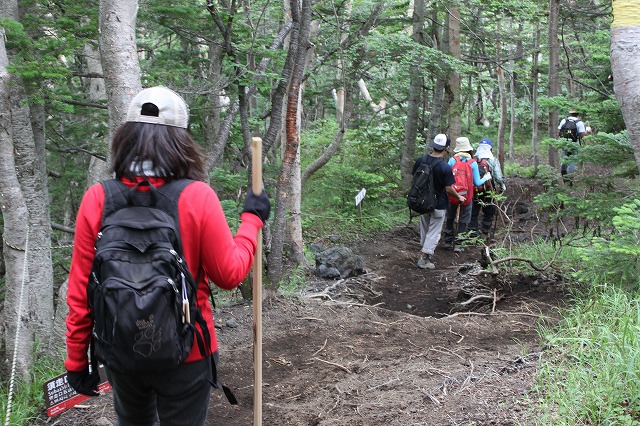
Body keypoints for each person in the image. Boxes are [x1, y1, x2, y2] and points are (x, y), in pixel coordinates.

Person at [64, 86, 270, 425]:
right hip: (188, 354)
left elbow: (81, 293)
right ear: (181, 141)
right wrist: (251, 220)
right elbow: (230, 274)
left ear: (126, 137)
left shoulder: (97, 198)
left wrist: (76, 362)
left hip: (120, 349)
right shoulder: (196, 196)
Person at [412, 134, 465, 269]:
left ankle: (424, 250)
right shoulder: (445, 167)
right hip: (439, 204)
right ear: (446, 148)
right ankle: (424, 258)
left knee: (424, 227)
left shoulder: (420, 161)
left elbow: (415, 178)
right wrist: (459, 197)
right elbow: (448, 188)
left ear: (433, 146)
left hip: (422, 201)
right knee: (434, 231)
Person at [443, 136, 491, 253]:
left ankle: (448, 241)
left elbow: (446, 179)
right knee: (465, 218)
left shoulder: (452, 160)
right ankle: (459, 243)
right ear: (468, 148)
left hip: (453, 194)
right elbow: (477, 182)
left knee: (450, 216)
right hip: (467, 196)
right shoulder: (472, 163)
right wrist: (486, 177)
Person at [469, 138, 506, 238]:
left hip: (475, 188)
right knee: (489, 209)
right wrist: (502, 185)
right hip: (489, 188)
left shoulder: (474, 160)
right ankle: (485, 231)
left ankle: (472, 232)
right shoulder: (493, 160)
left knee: (474, 210)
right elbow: (498, 176)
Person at [558, 109, 587, 178]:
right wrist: (587, 131)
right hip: (574, 144)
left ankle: (563, 173)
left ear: (570, 114)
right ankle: (569, 178)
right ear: (578, 114)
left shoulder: (564, 121)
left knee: (564, 157)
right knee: (573, 161)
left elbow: (559, 130)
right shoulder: (579, 123)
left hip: (564, 142)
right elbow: (582, 135)